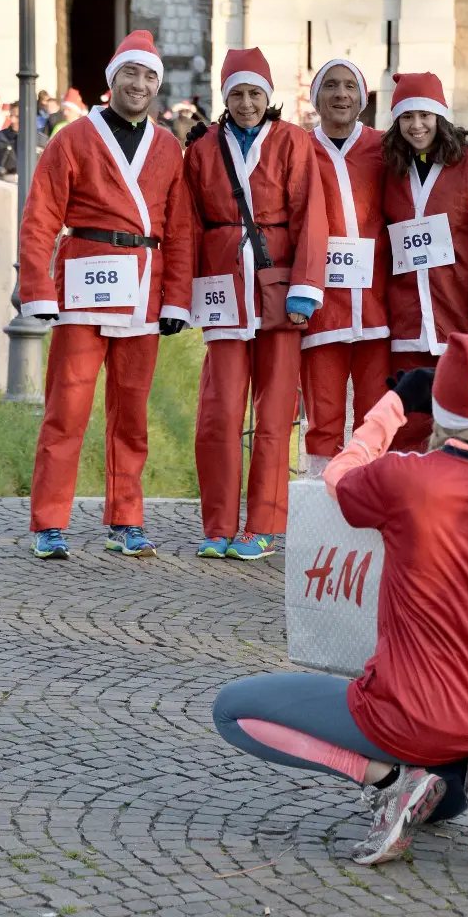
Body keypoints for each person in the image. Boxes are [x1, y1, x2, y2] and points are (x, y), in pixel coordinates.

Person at [213, 331, 468, 867]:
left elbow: (340, 473)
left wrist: (395, 404)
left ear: (437, 406)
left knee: (232, 710)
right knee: (442, 792)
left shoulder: (407, 479)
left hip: (405, 713)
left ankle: (391, 778)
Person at [18, 31, 194, 561]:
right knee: (66, 410)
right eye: (130, 74)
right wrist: (37, 288)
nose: (139, 85)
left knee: (132, 413)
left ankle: (126, 518)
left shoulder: (167, 146)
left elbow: (180, 227)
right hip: (84, 284)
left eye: (149, 77)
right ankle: (50, 522)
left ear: (157, 86)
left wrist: (176, 299)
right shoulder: (72, 139)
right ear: (111, 79)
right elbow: (40, 217)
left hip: (143, 288)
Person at [184, 47, 328, 560]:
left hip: (278, 286)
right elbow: (187, 222)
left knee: (274, 413)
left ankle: (263, 524)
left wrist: (306, 291)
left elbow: (313, 216)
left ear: (269, 97)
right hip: (223, 287)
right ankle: (218, 524)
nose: (246, 103)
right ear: (225, 97)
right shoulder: (203, 148)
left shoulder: (292, 141)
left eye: (254, 93)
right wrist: (185, 293)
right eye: (237, 94)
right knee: (219, 411)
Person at [383, 72, 468, 452]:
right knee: (406, 425)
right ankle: (406, 505)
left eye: (425, 115)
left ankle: (465, 505)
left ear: (440, 116)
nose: (417, 125)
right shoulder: (389, 166)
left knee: (465, 424)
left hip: (459, 317)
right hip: (407, 320)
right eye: (407, 117)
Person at [299, 60, 391, 476]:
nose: (341, 94)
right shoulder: (298, 148)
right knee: (324, 410)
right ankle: (322, 493)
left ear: (363, 97)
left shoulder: (386, 147)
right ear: (316, 96)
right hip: (321, 303)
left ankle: (372, 493)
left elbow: (435, 155)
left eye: (350, 86)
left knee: (375, 408)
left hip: (376, 300)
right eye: (331, 86)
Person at [0, 102, 19, 175]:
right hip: (4, 183)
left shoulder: (40, 140)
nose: (12, 120)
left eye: (17, 116)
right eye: (11, 116)